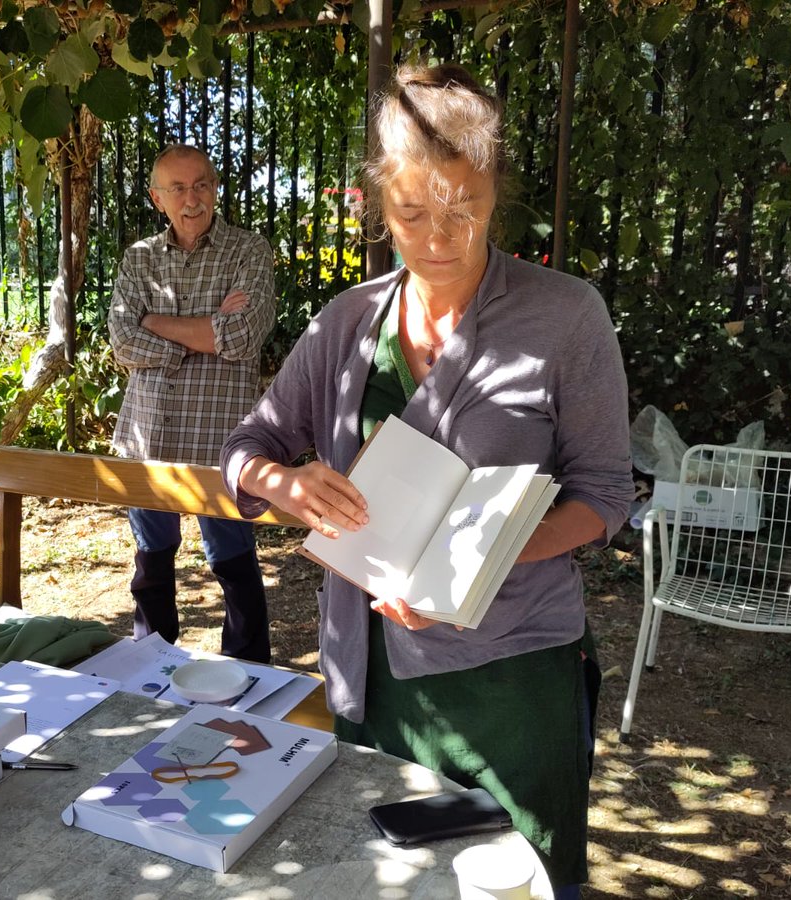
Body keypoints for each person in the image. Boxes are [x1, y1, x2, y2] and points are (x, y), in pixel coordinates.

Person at [221, 65, 632, 895]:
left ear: (496, 197)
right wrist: (282, 481)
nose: (440, 237)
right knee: (383, 878)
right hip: (371, 679)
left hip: (513, 679)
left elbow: (604, 494)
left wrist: (481, 560)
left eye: (464, 209)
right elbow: (248, 445)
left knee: (517, 882)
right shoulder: (347, 321)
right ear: (379, 203)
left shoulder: (564, 316)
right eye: (413, 213)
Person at [108, 145, 277, 663]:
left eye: (201, 184)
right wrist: (207, 330)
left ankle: (249, 668)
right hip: (150, 434)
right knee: (152, 561)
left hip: (221, 438)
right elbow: (121, 341)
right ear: (158, 198)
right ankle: (153, 664)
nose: (191, 198)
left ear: (215, 187)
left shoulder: (249, 251)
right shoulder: (139, 258)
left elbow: (245, 336)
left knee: (233, 560)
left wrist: (154, 322)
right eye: (177, 188)